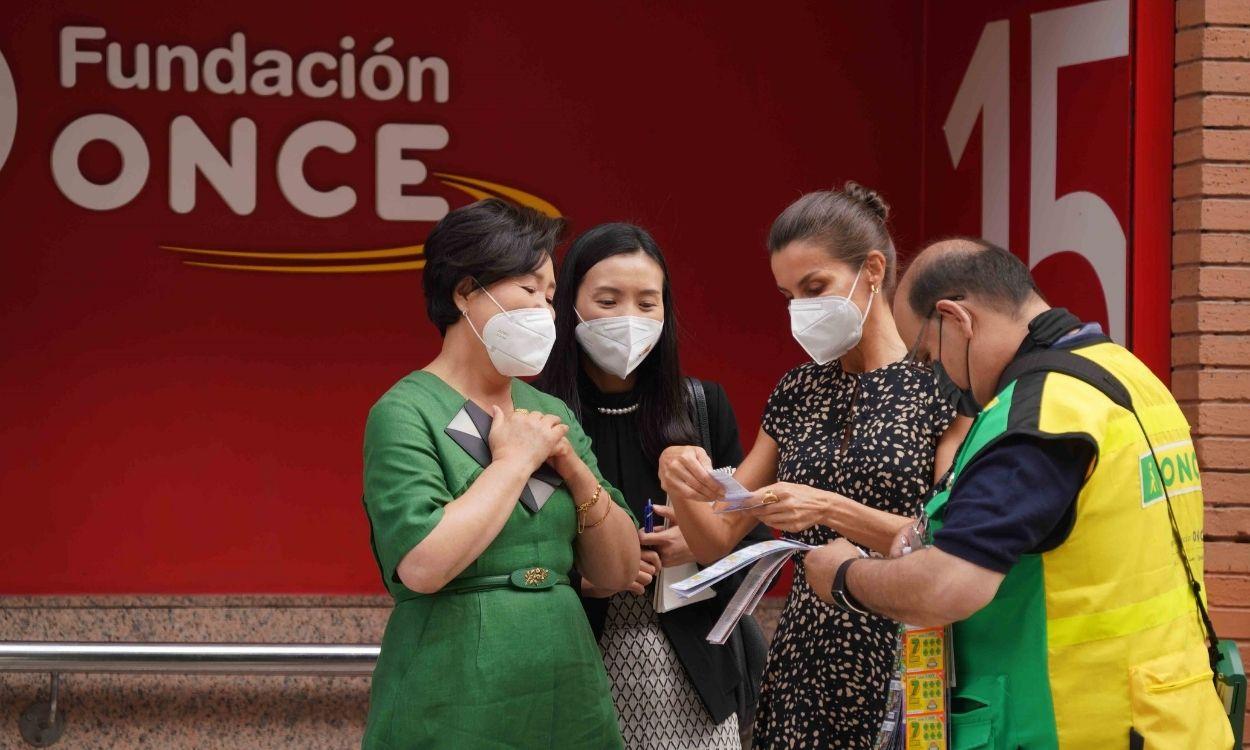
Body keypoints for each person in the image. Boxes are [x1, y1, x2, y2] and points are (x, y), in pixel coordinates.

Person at [803, 237, 1234, 749]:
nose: (933, 375)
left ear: (955, 320)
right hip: (1171, 719)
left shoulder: (1040, 413)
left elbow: (951, 586)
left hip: (1074, 725)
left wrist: (846, 578)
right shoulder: (1127, 374)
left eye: (926, 355)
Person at [659, 184, 968, 748]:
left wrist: (828, 508)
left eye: (815, 287)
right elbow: (716, 539)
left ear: (872, 270)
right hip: (804, 661)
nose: (800, 309)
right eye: (787, 295)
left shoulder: (942, 389)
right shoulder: (797, 390)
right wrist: (679, 478)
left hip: (902, 654)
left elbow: (953, 545)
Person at [360, 199, 640, 750]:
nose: (544, 309)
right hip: (451, 684)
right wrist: (513, 462)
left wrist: (574, 470)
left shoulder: (551, 413)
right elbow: (422, 564)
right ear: (465, 292)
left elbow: (617, 571)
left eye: (550, 296)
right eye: (528, 289)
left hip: (567, 681)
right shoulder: (404, 411)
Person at [536, 222, 772, 749]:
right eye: (607, 299)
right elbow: (514, 549)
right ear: (567, 304)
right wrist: (586, 574)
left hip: (696, 678)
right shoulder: (537, 417)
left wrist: (707, 543)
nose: (629, 318)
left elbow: (758, 536)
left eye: (648, 303)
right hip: (574, 664)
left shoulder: (702, 408)